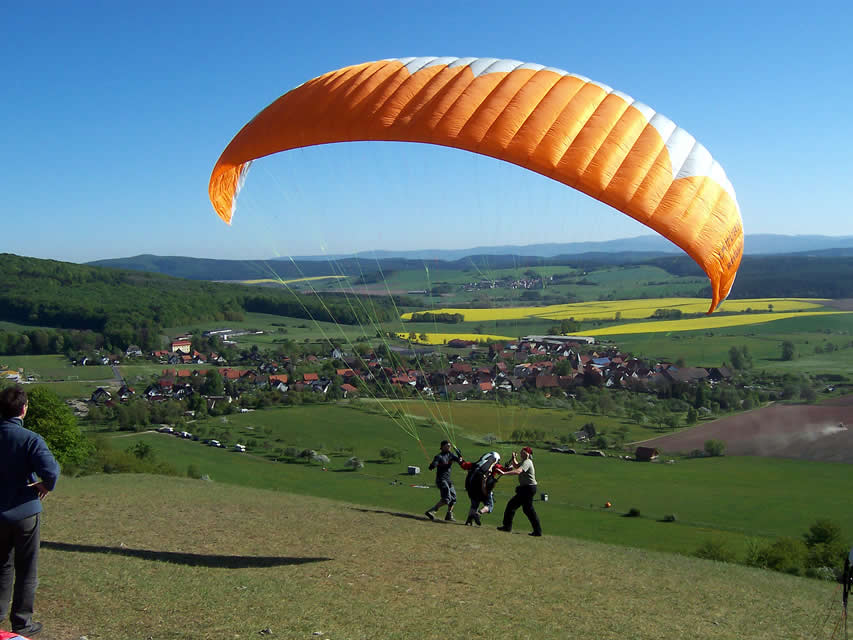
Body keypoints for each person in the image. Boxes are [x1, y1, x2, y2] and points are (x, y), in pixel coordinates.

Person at [0, 386, 61, 637]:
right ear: (24, 409)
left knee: (2, 567)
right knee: (26, 568)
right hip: (25, 510)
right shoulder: (30, 438)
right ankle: (22, 622)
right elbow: (51, 471)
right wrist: (45, 485)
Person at [496, 446, 542, 537]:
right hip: (528, 488)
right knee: (527, 509)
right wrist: (513, 458)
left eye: (523, 452)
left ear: (528, 454)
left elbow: (518, 471)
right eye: (521, 452)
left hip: (528, 488)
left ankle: (507, 527)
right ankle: (537, 531)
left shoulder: (527, 462)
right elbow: (516, 465)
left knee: (512, 505)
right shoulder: (524, 462)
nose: (521, 454)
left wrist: (504, 473)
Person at [460, 451, 506, 526]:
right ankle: (478, 513)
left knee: (474, 504)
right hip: (484, 488)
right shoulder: (494, 465)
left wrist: (461, 460)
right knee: (489, 505)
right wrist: (508, 468)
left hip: (472, 487)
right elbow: (502, 470)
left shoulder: (477, 464)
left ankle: (469, 521)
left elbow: (464, 465)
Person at [424, 440, 461, 522]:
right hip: (441, 480)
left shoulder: (451, 455)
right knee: (446, 498)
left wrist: (459, 454)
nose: (449, 447)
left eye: (450, 446)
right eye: (448, 446)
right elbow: (435, 463)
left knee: (453, 498)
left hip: (448, 480)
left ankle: (449, 515)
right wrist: (433, 465)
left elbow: (460, 461)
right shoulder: (439, 456)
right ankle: (431, 511)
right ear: (443, 447)